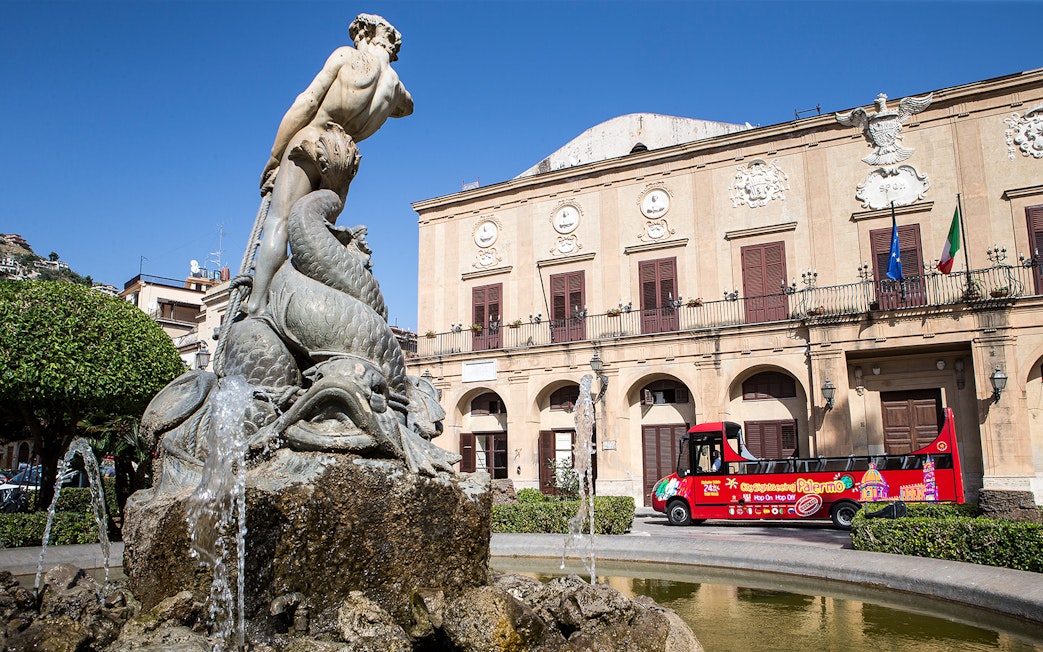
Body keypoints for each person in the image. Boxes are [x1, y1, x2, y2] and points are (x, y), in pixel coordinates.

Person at [247, 13, 414, 316]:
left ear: (364, 35)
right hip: (346, 155)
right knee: (319, 234)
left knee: (281, 222)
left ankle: (258, 306)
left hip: (313, 139)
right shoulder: (394, 88)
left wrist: (274, 157)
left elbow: (307, 102)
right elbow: (408, 108)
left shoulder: (346, 57)